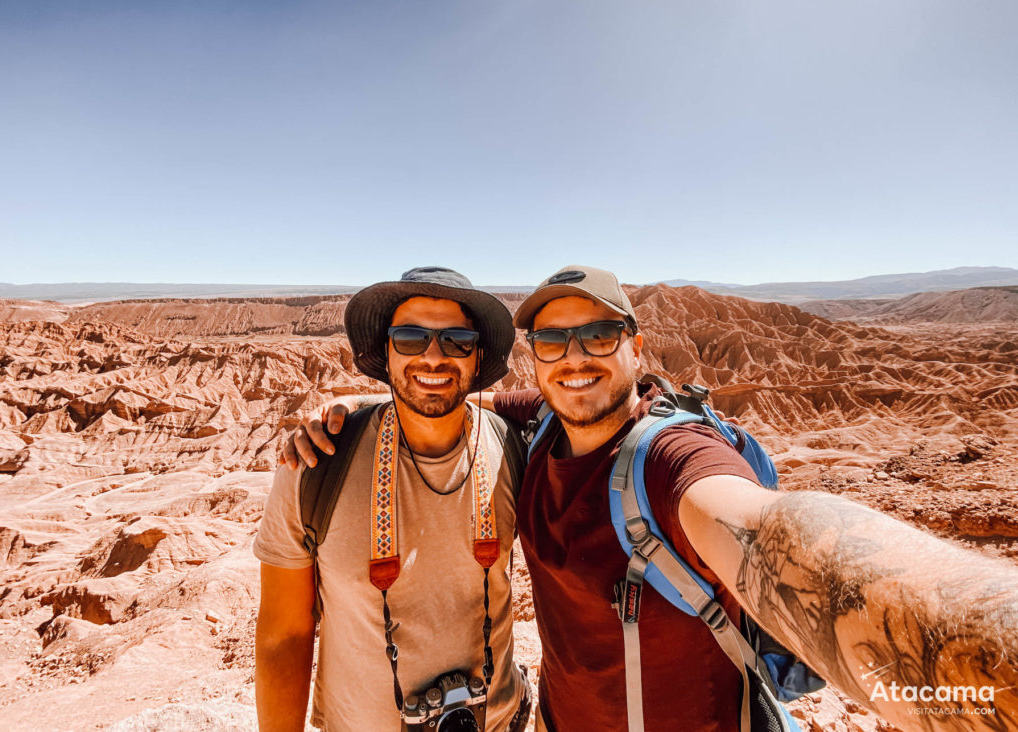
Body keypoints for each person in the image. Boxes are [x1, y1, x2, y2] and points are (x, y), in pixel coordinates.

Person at [287, 265, 1018, 732]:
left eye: (600, 334)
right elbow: (441, 398)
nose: (575, 357)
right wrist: (351, 408)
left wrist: (982, 659)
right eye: (552, 340)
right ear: (531, 360)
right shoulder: (537, 426)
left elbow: (778, 534)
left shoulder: (671, 459)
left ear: (637, 346)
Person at [255, 266, 532, 731]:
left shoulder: (510, 449)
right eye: (409, 338)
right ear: (385, 351)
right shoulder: (318, 464)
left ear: (477, 356)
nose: (432, 356)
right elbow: (285, 634)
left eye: (456, 340)